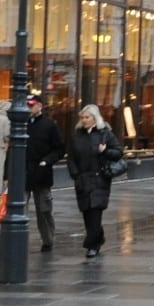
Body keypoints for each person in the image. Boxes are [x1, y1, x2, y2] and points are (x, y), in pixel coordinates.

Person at [66, 104, 123, 258]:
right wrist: (75, 175)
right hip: (82, 179)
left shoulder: (105, 134)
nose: (84, 120)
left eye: (87, 117)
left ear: (94, 118)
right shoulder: (77, 136)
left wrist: (105, 151)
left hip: (100, 179)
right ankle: (98, 237)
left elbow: (118, 152)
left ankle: (92, 245)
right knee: (86, 212)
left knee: (96, 212)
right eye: (82, 117)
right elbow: (71, 158)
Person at [23, 93, 66, 253]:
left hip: (41, 173)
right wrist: (7, 175)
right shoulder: (21, 124)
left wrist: (47, 161)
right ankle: (20, 239)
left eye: (32, 105)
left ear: (40, 106)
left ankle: (48, 240)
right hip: (23, 173)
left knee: (44, 209)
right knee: (19, 209)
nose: (29, 108)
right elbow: (12, 151)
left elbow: (60, 148)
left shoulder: (49, 125)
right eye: (27, 105)